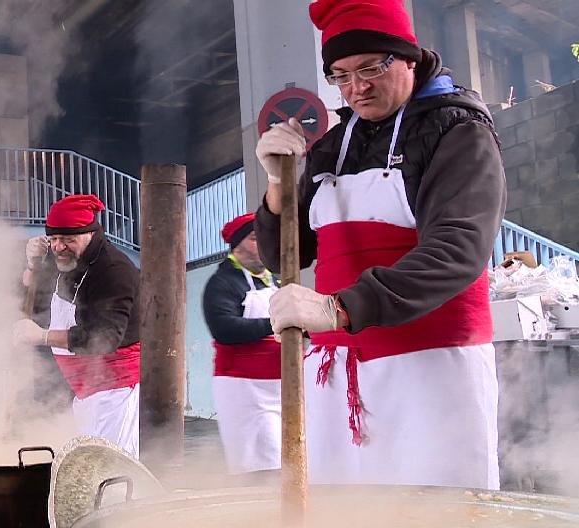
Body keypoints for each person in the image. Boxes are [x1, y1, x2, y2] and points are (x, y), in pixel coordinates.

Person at [254, 0, 506, 489]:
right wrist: (277, 186)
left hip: (430, 367)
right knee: (348, 526)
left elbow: (459, 248)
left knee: (438, 527)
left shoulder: (458, 131)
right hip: (339, 375)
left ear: (407, 58)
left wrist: (339, 309)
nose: (357, 87)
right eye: (341, 76)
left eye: (370, 68)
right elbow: (286, 254)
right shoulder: (333, 145)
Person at [13, 194, 141, 457]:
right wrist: (32, 265)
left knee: (113, 465)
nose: (59, 246)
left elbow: (104, 337)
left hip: (115, 390)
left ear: (90, 234)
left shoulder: (114, 271)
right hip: (83, 389)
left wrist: (43, 336)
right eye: (54, 239)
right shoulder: (63, 258)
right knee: (87, 466)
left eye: (68, 239)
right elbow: (34, 301)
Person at [202, 215, 282, 480]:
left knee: (289, 459)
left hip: (281, 388)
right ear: (237, 246)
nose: (265, 243)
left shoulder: (276, 280)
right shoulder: (223, 283)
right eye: (255, 238)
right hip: (245, 391)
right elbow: (225, 330)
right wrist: (278, 322)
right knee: (261, 467)